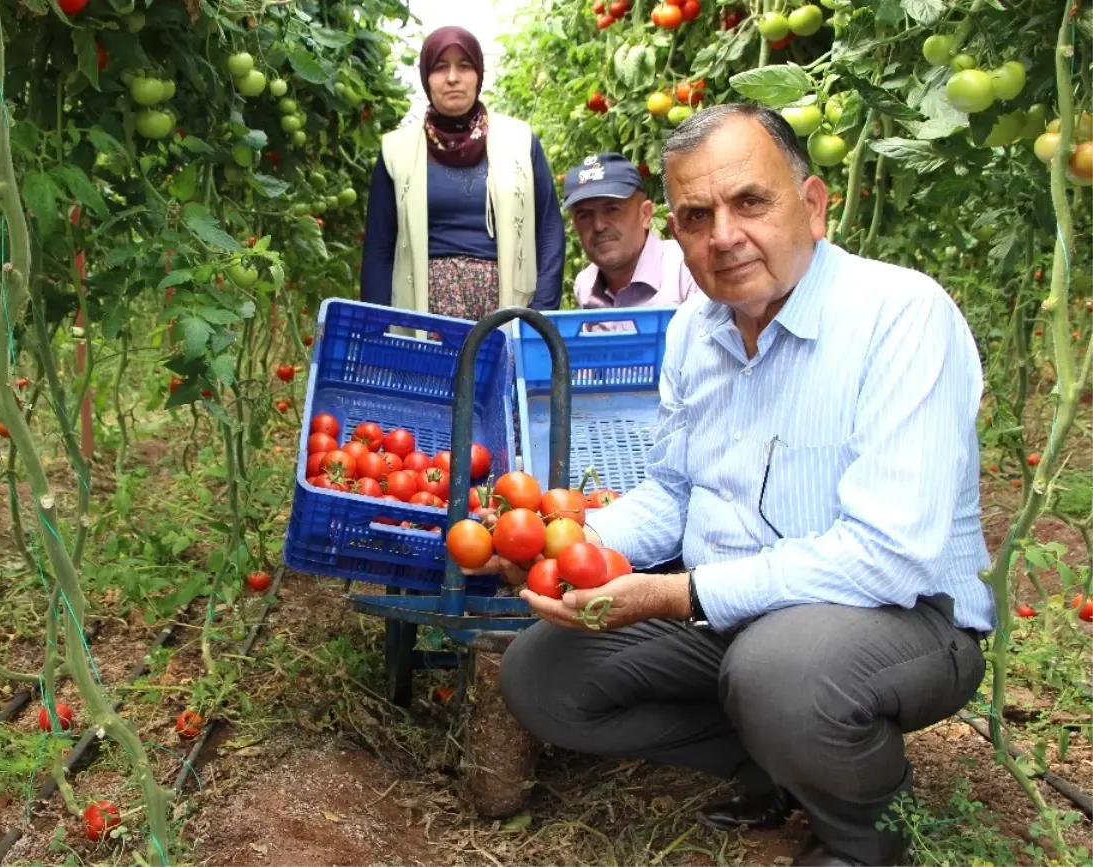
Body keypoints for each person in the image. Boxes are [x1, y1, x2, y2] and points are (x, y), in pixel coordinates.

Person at [479, 104, 996, 867]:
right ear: (677, 233)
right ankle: (777, 762)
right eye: (696, 216)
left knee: (780, 672)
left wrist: (679, 595)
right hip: (738, 615)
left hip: (906, 615)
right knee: (544, 676)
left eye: (751, 202)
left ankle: (867, 833)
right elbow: (671, 492)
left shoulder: (901, 316)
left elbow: (890, 555)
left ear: (813, 206)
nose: (724, 235)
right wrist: (577, 541)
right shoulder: (695, 331)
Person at [359, 26, 565, 320]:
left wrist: (541, 311)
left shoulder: (519, 140)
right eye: (440, 67)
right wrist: (377, 326)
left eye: (464, 66)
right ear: (426, 77)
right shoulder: (397, 150)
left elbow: (549, 231)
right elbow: (379, 249)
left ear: (478, 75)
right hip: (422, 312)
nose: (452, 78)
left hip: (507, 310)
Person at [563, 152, 698, 321]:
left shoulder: (687, 271)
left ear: (645, 214)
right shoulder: (585, 286)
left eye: (612, 209)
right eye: (584, 215)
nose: (598, 225)